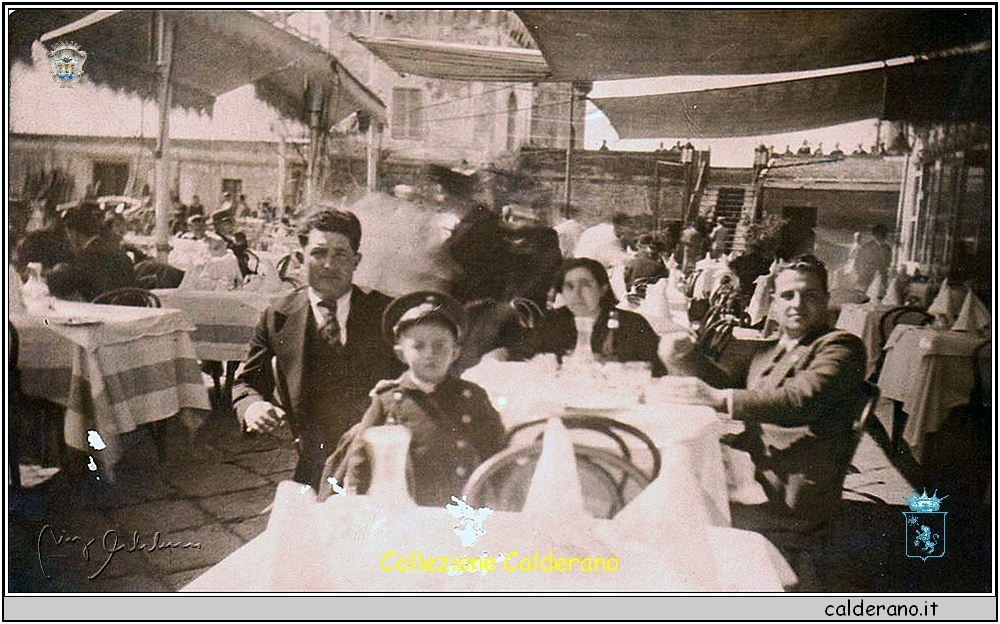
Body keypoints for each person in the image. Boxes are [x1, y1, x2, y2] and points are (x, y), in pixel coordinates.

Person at [658, 256, 868, 571]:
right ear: (773, 303)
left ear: (826, 301)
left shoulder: (840, 347)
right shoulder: (770, 348)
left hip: (789, 484)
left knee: (671, 497)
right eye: (788, 295)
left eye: (809, 295)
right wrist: (684, 357)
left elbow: (800, 401)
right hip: (757, 466)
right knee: (667, 470)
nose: (798, 303)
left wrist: (718, 397)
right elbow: (724, 381)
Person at [232, 209, 404, 488]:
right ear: (300, 259)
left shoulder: (385, 313)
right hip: (314, 463)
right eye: (318, 253)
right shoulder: (278, 316)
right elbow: (246, 383)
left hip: (381, 460)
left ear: (356, 261)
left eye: (340, 255)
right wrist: (253, 408)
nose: (329, 264)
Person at [319, 291, 505, 506]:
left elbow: (495, 452)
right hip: (405, 507)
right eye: (418, 346)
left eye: (440, 345)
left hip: (462, 505)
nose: (429, 354)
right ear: (400, 354)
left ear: (455, 352)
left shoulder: (472, 397)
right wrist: (356, 502)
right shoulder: (387, 400)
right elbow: (360, 459)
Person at [528, 257, 665, 375]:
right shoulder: (551, 321)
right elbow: (531, 362)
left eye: (586, 285)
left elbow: (656, 371)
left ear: (602, 289)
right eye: (569, 286)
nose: (577, 294)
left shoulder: (632, 324)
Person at [47, 202, 136, 301]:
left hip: (98, 313)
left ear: (74, 234)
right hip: (129, 311)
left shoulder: (83, 258)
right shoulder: (119, 252)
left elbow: (62, 288)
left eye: (69, 235)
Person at [852, 224, 892, 292]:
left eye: (883, 234)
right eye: (879, 233)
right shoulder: (867, 247)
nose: (882, 236)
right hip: (867, 276)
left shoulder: (887, 248)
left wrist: (883, 271)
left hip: (881, 276)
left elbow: (888, 262)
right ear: (875, 235)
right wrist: (860, 272)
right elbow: (859, 261)